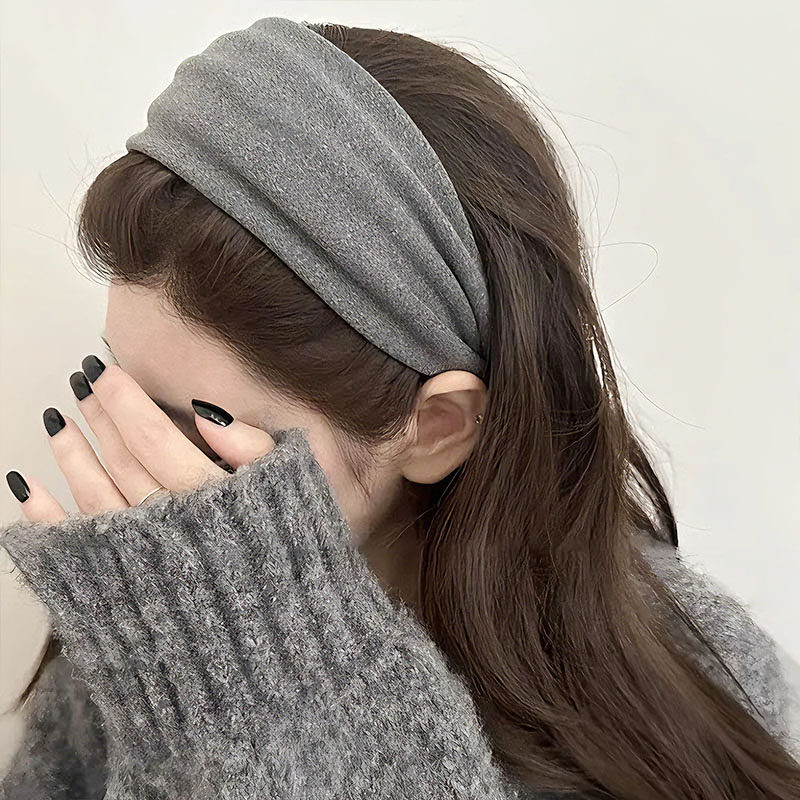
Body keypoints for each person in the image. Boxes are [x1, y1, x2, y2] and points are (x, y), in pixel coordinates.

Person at [1, 15, 799, 800]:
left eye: (201, 428)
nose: (132, 479)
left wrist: (266, 709)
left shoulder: (702, 690)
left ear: (436, 428)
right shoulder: (147, 617)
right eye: (117, 392)